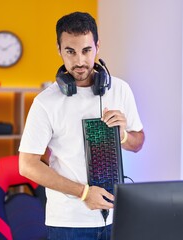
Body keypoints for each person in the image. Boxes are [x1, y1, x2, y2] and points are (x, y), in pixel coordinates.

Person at [18, 11, 145, 240]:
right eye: (70, 51)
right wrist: (84, 192)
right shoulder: (45, 102)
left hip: (118, 217)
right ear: (59, 50)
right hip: (68, 223)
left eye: (86, 50)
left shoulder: (121, 90)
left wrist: (123, 135)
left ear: (97, 46)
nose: (79, 61)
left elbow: (138, 143)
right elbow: (27, 165)